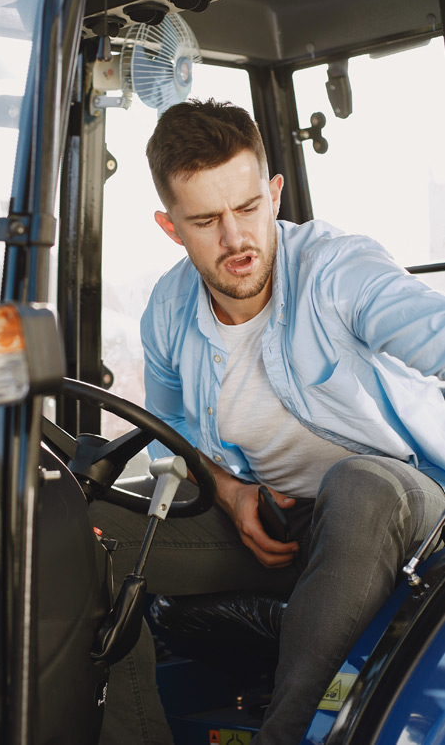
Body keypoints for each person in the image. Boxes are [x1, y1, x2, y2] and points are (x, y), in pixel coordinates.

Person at [90, 99, 445, 745]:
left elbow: (435, 333)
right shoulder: (168, 310)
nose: (235, 240)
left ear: (274, 193)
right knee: (79, 528)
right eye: (206, 221)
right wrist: (230, 493)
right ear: (171, 227)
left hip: (404, 511)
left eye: (248, 208)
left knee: (359, 484)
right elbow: (173, 440)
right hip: (276, 523)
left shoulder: (337, 272)